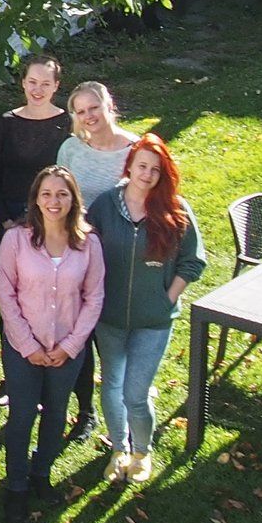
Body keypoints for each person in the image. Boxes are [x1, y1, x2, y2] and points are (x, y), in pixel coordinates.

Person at [86, 135, 206, 485]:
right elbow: (86, 248)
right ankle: (118, 450)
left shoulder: (175, 209)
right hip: (109, 318)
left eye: (155, 169)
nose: (147, 174)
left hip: (153, 321)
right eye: (142, 166)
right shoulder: (106, 205)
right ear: (129, 166)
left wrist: (167, 298)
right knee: (111, 386)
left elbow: (193, 260)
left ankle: (141, 452)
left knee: (135, 394)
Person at [0, 167, 105, 523]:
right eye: (46, 194)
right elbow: (6, 295)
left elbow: (94, 298)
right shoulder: (16, 240)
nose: (53, 201)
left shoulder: (88, 243)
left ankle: (41, 473)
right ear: (36, 199)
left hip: (66, 349)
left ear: (73, 199)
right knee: (22, 415)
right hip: (22, 347)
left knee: (56, 414)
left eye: (61, 194)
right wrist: (27, 345)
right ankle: (16, 487)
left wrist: (71, 346)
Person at [55, 80, 139, 440]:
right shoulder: (71, 149)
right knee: (80, 334)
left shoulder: (135, 150)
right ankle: (85, 411)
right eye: (81, 111)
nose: (89, 116)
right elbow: (57, 194)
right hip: (77, 253)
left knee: (115, 337)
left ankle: (127, 413)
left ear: (109, 105)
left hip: (120, 255)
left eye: (94, 108)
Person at [0, 54, 72, 229]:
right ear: (23, 82)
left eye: (45, 84)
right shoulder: (6, 123)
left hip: (55, 214)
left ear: (56, 85)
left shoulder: (68, 123)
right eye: (32, 82)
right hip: (11, 215)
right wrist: (6, 221)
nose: (38, 89)